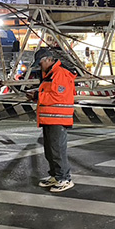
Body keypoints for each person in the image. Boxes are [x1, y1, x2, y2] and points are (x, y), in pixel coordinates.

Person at [32, 48, 76, 192]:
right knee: (50, 151)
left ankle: (64, 178)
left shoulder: (60, 73)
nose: (40, 66)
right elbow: (50, 93)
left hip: (58, 118)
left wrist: (39, 97)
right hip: (49, 118)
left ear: (48, 60)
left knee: (57, 150)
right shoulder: (49, 74)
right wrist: (36, 96)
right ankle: (56, 176)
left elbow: (59, 96)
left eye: (40, 63)